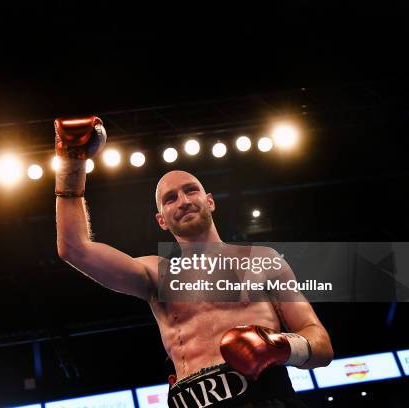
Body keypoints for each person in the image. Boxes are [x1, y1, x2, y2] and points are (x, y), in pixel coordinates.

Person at [54, 116, 333, 408]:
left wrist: (282, 346)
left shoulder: (264, 261)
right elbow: (75, 249)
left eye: (191, 190)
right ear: (161, 220)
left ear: (210, 201)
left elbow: (320, 343)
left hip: (266, 399)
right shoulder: (155, 274)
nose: (184, 200)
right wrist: (71, 164)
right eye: (170, 198)